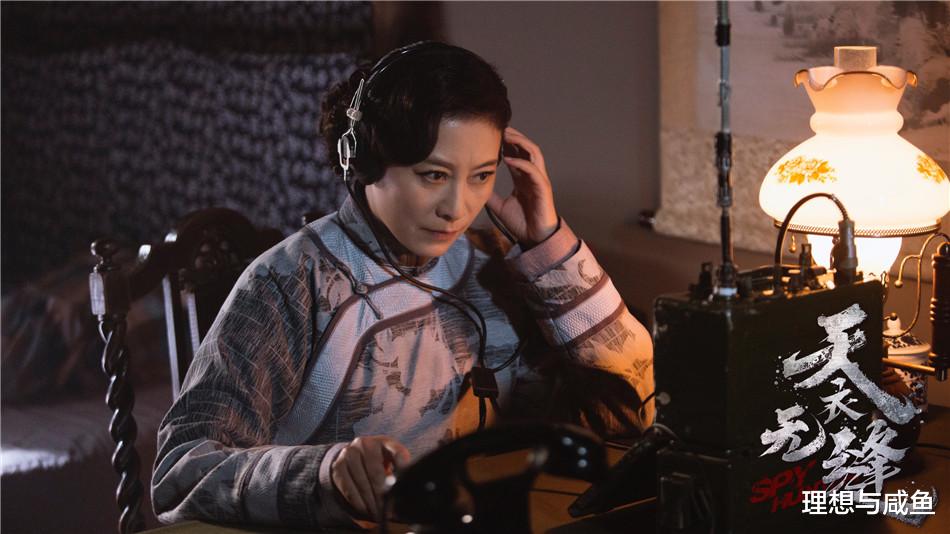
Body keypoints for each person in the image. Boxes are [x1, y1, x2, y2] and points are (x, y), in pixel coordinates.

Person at [152, 42, 654, 529]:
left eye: (481, 176)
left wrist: (549, 245)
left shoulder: (496, 262)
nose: (457, 208)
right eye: (433, 175)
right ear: (363, 160)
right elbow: (179, 473)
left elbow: (638, 411)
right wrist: (326, 473)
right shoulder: (290, 283)